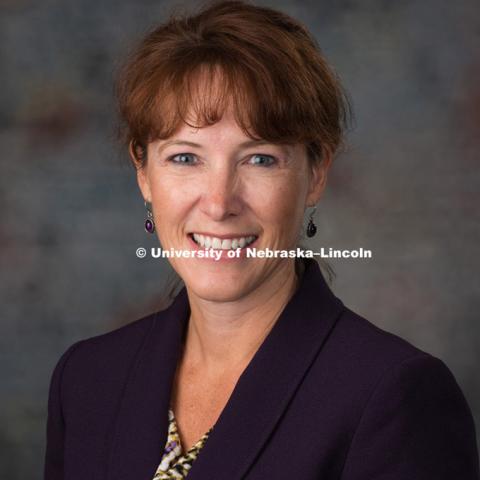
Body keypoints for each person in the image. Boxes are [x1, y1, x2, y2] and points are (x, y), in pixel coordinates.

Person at [43, 1, 479, 479]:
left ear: (316, 173)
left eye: (259, 159)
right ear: (143, 173)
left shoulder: (395, 396)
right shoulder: (86, 380)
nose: (219, 202)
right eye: (185, 158)